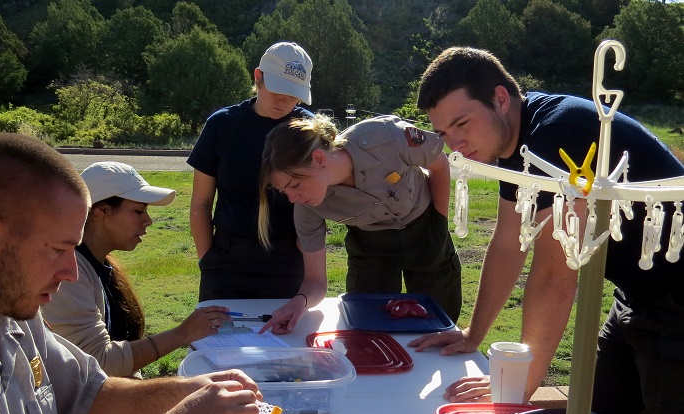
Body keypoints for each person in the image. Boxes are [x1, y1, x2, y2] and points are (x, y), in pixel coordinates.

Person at [410, 46, 684, 414]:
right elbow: (506, 241)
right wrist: (473, 334)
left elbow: (557, 274)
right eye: (443, 132)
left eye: (461, 124)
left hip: (680, 302)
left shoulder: (562, 133)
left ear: (499, 98)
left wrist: (526, 381)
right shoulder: (511, 143)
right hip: (637, 297)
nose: (455, 144)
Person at [0, 132, 261, 414]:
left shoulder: (16, 318)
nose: (71, 272)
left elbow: (90, 394)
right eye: (56, 249)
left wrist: (187, 394)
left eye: (74, 249)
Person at [257, 114, 462, 334]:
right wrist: (300, 302)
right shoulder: (307, 207)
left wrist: (439, 224)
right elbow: (315, 281)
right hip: (371, 247)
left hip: (425, 229)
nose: (292, 198)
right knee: (369, 327)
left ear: (319, 159)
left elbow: (439, 164)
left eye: (295, 184)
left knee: (440, 325)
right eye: (284, 191)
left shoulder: (386, 137)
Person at [42, 161, 231, 378]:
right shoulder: (68, 275)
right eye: (138, 211)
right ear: (102, 211)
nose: (148, 221)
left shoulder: (103, 264)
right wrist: (182, 333)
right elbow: (100, 363)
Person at [188, 41, 314, 302]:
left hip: (288, 259)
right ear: (258, 77)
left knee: (285, 340)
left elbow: (321, 198)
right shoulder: (222, 125)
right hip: (226, 259)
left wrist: (304, 254)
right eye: (277, 89)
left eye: (292, 94)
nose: (283, 101)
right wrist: (207, 260)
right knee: (219, 340)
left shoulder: (309, 130)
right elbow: (200, 202)